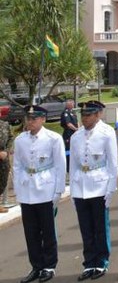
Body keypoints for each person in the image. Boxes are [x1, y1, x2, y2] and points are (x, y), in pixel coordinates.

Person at [14, 106, 66, 283]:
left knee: (47, 231)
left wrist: (58, 191)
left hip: (45, 189)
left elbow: (60, 165)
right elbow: (17, 166)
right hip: (27, 190)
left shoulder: (53, 138)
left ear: (43, 119)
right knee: (31, 232)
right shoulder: (20, 140)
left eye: (34, 118)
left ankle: (49, 266)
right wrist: (19, 190)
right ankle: (36, 266)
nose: (30, 121)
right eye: (28, 118)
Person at [69, 101, 118, 281]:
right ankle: (89, 262)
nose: (85, 118)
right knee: (86, 229)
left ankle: (101, 261)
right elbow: (73, 166)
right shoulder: (76, 136)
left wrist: (111, 188)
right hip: (81, 186)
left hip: (99, 185)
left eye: (89, 115)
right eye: (83, 115)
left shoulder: (107, 133)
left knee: (100, 227)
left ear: (98, 115)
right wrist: (73, 191)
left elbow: (113, 164)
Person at [60, 99, 78, 173]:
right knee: (68, 151)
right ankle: (68, 168)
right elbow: (68, 124)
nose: (73, 105)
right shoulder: (66, 113)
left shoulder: (72, 112)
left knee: (75, 150)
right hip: (68, 134)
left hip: (74, 133)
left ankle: (74, 165)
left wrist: (78, 129)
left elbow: (76, 122)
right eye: (72, 104)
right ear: (68, 105)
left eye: (73, 103)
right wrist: (76, 129)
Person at [0, 116, 11, 213]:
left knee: (3, 181)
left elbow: (10, 138)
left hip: (3, 159)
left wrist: (6, 151)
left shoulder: (5, 125)